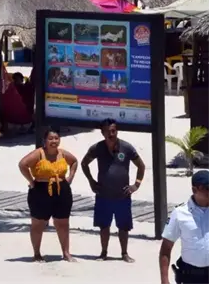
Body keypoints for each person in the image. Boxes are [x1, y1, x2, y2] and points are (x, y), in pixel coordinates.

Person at [81, 118, 146, 262]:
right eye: (108, 131)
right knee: (104, 226)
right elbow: (84, 163)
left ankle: (124, 253)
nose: (111, 134)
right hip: (103, 195)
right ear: (102, 133)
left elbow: (141, 166)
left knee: (124, 227)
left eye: (113, 131)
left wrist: (136, 185)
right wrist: (91, 181)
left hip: (122, 195)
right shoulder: (97, 148)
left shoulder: (127, 148)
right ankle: (103, 253)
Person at [18, 128, 78, 262]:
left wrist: (70, 177)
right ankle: (37, 254)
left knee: (62, 222)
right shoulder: (39, 153)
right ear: (44, 141)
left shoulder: (62, 154)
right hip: (40, 190)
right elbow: (22, 164)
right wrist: (32, 181)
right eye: (50, 138)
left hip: (61, 190)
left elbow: (74, 161)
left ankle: (66, 253)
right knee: (38, 223)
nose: (54, 141)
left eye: (56, 138)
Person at [160, 170, 209, 284]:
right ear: (195, 190)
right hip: (190, 277)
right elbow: (165, 249)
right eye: (208, 188)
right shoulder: (179, 213)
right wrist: (164, 280)